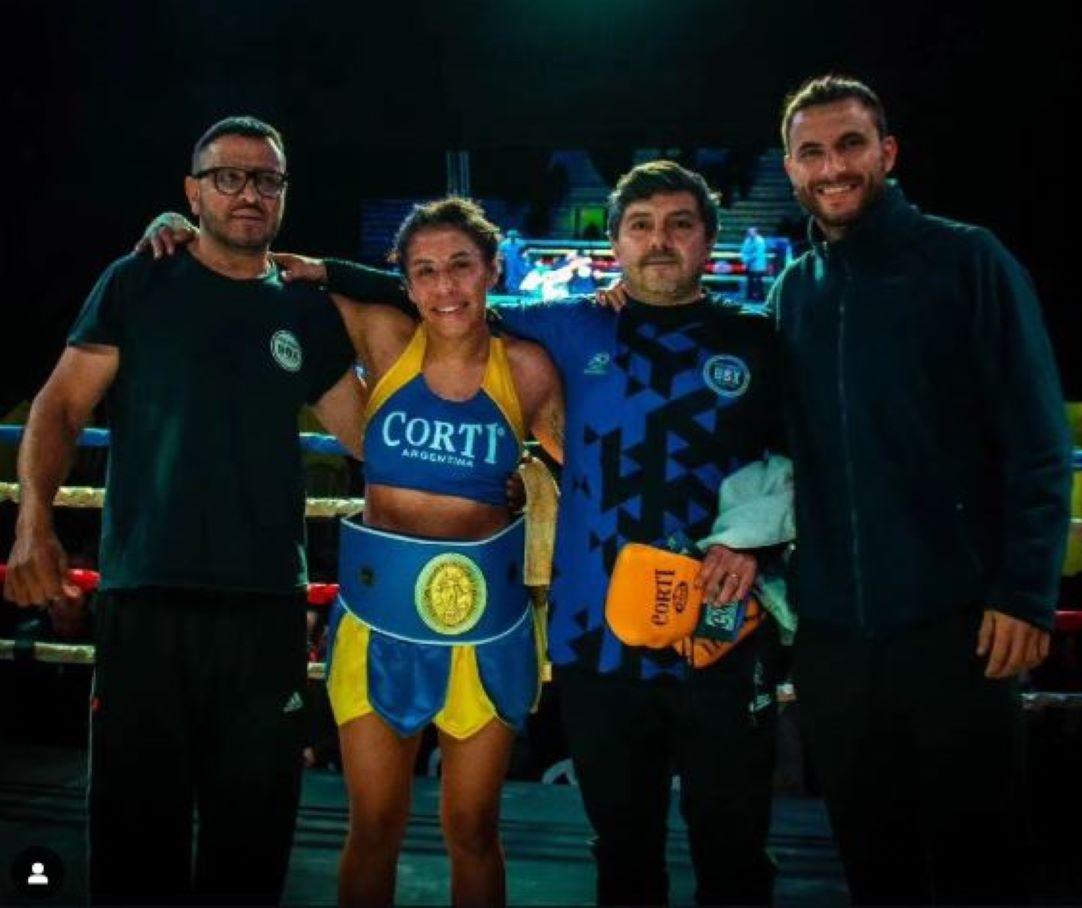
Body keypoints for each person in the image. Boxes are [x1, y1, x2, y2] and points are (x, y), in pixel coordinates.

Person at [320, 160, 791, 906]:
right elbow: (416, 297)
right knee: (622, 847)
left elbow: (800, 455)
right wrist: (294, 260)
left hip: (719, 625)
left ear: (709, 239)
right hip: (593, 631)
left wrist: (759, 537)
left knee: (731, 848)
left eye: (679, 225)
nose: (659, 241)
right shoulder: (569, 325)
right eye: (640, 226)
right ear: (615, 244)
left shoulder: (757, 339)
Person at [135, 197, 564, 908]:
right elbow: (262, 271)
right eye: (424, 270)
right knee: (373, 827)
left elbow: (588, 466)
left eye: (461, 266)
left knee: (474, 828)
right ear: (403, 279)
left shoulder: (527, 367)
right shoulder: (382, 333)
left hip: (486, 630)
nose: (445, 286)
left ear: (493, 267)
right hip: (378, 623)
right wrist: (178, 233)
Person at [3, 116, 364, 905]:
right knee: (135, 835)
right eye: (229, 176)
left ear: (283, 195)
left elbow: (370, 437)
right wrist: (33, 522)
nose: (249, 192)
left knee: (253, 837)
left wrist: (484, 470)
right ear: (192, 190)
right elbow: (60, 406)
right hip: (146, 595)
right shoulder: (138, 281)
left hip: (265, 606)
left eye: (266, 179)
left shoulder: (306, 311)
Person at [772, 75, 1073, 904]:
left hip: (962, 628)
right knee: (875, 871)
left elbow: (1037, 441)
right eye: (812, 153)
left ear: (887, 152)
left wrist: (1025, 592)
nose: (833, 167)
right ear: (791, 170)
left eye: (850, 145)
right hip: (835, 642)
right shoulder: (793, 291)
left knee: (980, 870)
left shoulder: (968, 259)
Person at [739, 226, 768, 302]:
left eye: (752, 232)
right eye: (749, 232)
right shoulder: (747, 240)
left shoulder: (760, 241)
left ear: (755, 232)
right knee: (750, 281)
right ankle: (750, 296)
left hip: (758, 265)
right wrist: (745, 260)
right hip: (749, 265)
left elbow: (757, 254)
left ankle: (761, 297)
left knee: (759, 282)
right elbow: (743, 251)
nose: (750, 234)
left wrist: (747, 259)